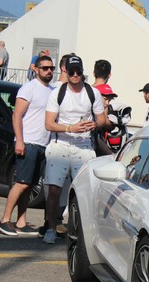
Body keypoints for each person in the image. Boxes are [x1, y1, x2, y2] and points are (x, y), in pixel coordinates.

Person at [43, 55, 107, 244]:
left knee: (83, 191)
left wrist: (94, 125)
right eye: (72, 72)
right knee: (54, 189)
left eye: (79, 71)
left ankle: (79, 230)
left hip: (84, 145)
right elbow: (48, 123)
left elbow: (102, 119)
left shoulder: (92, 92)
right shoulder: (57, 93)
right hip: (60, 143)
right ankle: (50, 227)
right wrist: (70, 128)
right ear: (66, 72)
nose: (75, 75)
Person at [0, 55, 55, 236]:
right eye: (45, 68)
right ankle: (4, 220)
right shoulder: (28, 88)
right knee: (21, 182)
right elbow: (17, 116)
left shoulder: (52, 90)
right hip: (28, 141)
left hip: (43, 144)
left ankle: (21, 221)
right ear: (36, 69)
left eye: (51, 68)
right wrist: (19, 141)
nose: (49, 71)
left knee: (29, 185)